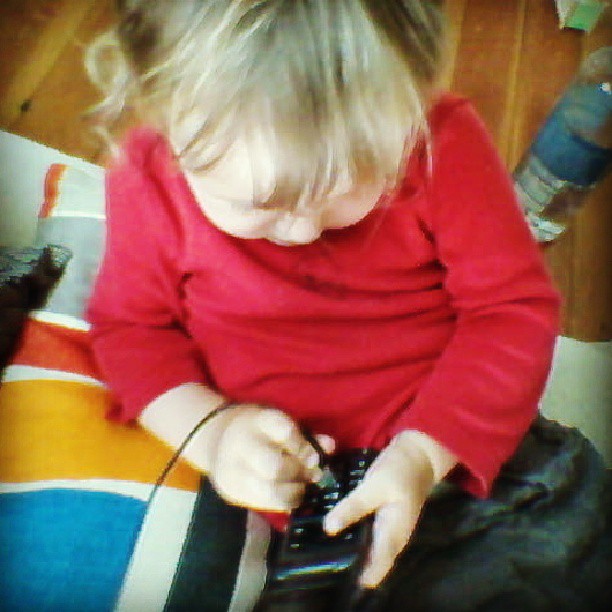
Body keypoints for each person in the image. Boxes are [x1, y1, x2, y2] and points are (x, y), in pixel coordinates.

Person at [85, 1, 592, 609]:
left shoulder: (442, 139)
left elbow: (512, 310)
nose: (303, 232)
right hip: (285, 505)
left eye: (348, 186)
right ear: (164, 120)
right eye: (259, 205)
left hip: (458, 458)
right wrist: (213, 434)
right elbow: (132, 331)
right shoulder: (146, 175)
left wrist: (423, 453)